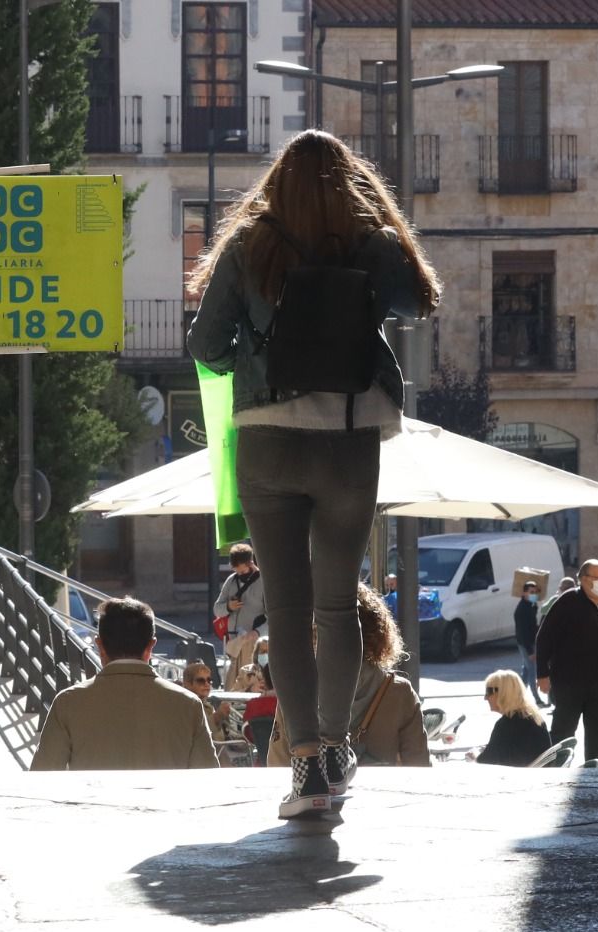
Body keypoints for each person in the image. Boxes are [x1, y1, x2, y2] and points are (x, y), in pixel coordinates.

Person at [187, 128, 442, 818]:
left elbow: (205, 345)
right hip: (351, 436)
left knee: (289, 609)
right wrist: (383, 219)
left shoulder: (250, 243)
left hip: (268, 440)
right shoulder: (368, 242)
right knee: (337, 605)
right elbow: (424, 300)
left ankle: (305, 767)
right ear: (348, 179)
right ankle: (336, 746)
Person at [30, 598, 218, 771]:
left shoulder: (68, 703)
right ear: (151, 647)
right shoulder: (188, 705)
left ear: (100, 645)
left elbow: (43, 777)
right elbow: (209, 781)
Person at [268, 583, 431, 768]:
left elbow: (277, 765)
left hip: (315, 794)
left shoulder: (296, 691)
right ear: (378, 631)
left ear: (315, 632)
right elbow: (419, 766)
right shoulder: (399, 692)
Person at [534, 558, 598, 764]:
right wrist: (542, 675)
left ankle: (595, 779)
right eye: (597, 578)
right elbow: (543, 638)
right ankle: (556, 775)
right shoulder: (567, 602)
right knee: (563, 735)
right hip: (569, 683)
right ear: (582, 579)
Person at [474, 670, 553, 767]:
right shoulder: (533, 717)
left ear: (503, 693)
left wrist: (474, 755)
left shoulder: (506, 725)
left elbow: (485, 761)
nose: (485, 698)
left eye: (488, 692)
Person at [214, 543, 266, 679]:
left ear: (250, 563)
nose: (240, 575)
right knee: (233, 684)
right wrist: (228, 607)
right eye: (236, 571)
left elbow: (273, 616)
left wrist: (257, 632)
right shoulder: (231, 581)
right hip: (235, 645)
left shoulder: (264, 582)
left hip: (255, 645)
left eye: (243, 572)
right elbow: (217, 609)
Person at [514, 579, 541, 701]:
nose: (533, 594)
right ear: (524, 593)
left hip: (530, 642)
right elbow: (523, 632)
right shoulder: (521, 609)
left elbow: (532, 624)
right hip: (525, 644)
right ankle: (537, 698)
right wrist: (530, 651)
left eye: (535, 592)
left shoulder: (530, 606)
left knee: (526, 670)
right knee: (531, 671)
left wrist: (535, 606)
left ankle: (519, 697)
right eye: (531, 592)